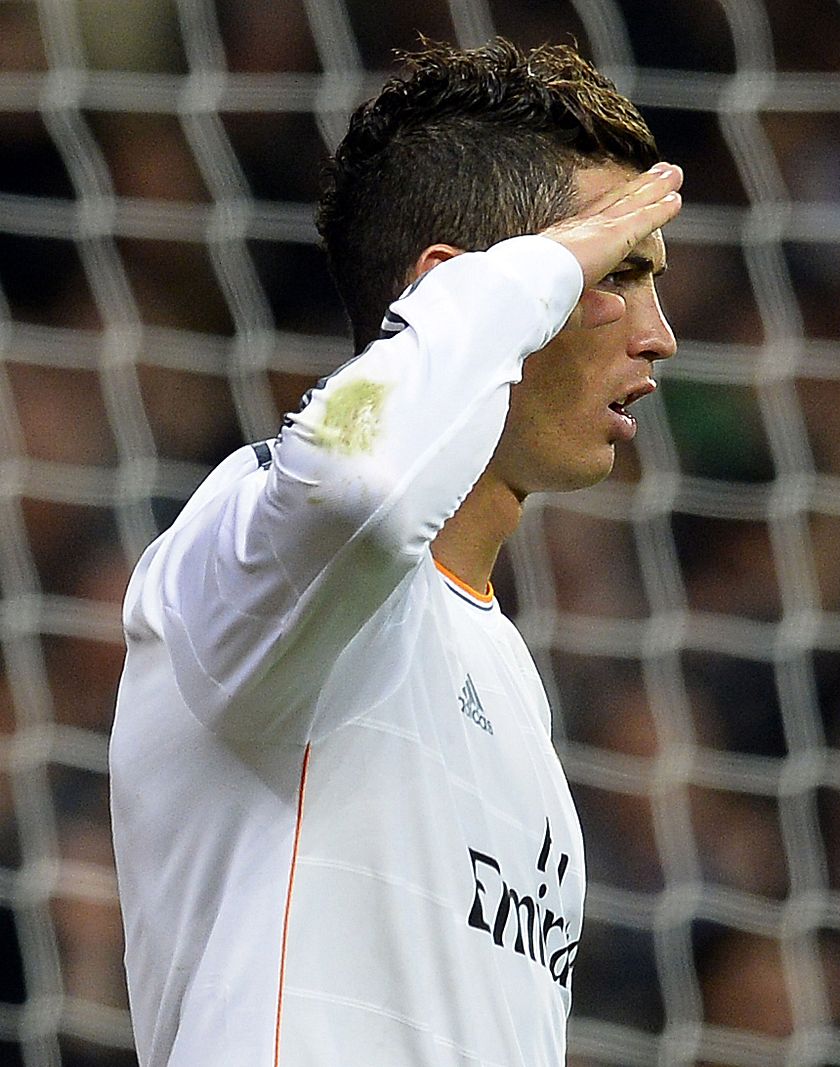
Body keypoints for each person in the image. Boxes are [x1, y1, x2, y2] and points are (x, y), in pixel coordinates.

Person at [109, 38, 681, 1065]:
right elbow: (356, 480)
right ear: (462, 295)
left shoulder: (506, 676)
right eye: (616, 272)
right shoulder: (247, 543)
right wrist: (530, 277)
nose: (658, 334)